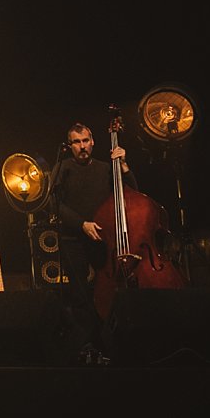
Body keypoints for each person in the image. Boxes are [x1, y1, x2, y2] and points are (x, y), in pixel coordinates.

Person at [54, 121, 136, 362]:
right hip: (73, 239)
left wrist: (123, 165)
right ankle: (86, 345)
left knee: (107, 291)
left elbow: (133, 192)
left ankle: (109, 343)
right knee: (80, 295)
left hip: (104, 239)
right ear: (69, 146)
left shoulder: (106, 168)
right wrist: (82, 224)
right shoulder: (61, 168)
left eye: (85, 141)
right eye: (76, 142)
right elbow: (54, 204)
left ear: (93, 142)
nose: (82, 146)